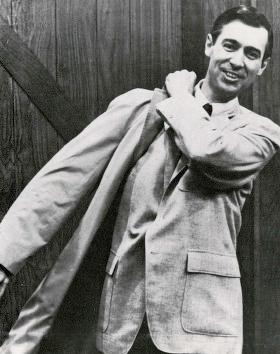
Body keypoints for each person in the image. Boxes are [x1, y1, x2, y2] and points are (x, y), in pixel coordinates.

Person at [0, 5, 280, 354]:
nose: (237, 61)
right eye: (230, 45)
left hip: (203, 327)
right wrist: (4, 256)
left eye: (251, 54)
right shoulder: (140, 108)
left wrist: (181, 98)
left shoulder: (260, 134)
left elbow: (206, 150)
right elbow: (61, 181)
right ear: (210, 45)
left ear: (263, 67)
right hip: (122, 321)